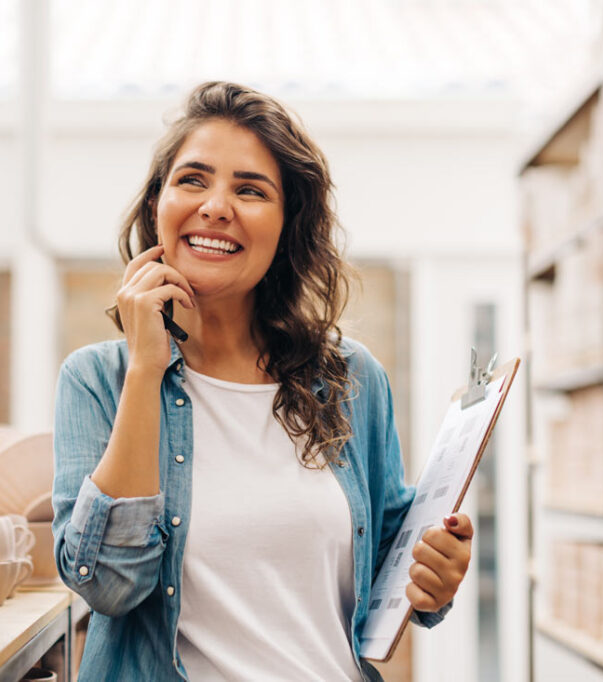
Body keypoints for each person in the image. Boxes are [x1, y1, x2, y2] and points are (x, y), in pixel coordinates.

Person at [51, 81, 473, 681]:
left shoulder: (351, 378)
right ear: (156, 207)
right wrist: (146, 369)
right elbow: (111, 586)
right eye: (192, 180)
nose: (217, 206)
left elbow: (390, 573)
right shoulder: (98, 380)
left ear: (285, 228)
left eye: (250, 190)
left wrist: (436, 574)